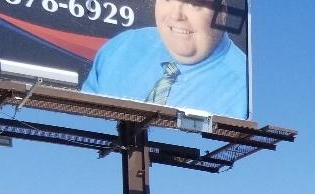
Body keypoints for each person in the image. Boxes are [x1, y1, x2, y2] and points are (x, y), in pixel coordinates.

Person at [82, 0, 248, 119]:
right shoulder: (122, 47)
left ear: (222, 12)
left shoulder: (244, 90)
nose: (176, 15)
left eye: (194, 4)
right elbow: (84, 120)